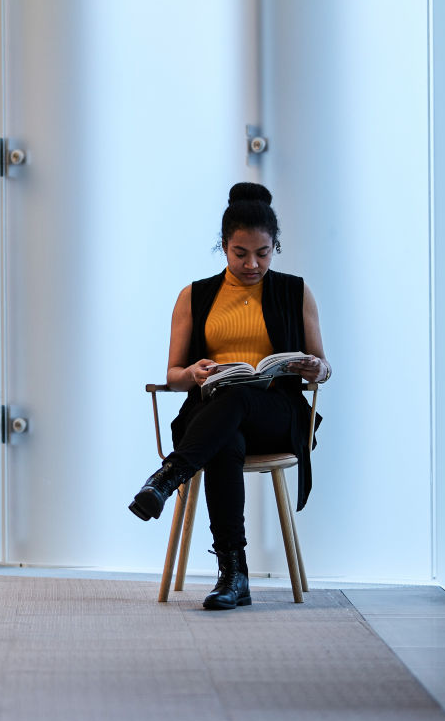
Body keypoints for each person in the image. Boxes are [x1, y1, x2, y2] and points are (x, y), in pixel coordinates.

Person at [128, 182, 331, 611]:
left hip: (276, 416)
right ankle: (234, 576)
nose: (252, 263)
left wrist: (316, 368)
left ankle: (167, 478)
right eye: (241, 253)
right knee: (225, 438)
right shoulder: (195, 296)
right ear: (222, 246)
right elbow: (174, 374)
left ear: (276, 246)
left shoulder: (295, 292)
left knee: (235, 403)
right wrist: (194, 373)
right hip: (213, 420)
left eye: (263, 252)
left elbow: (323, 365)